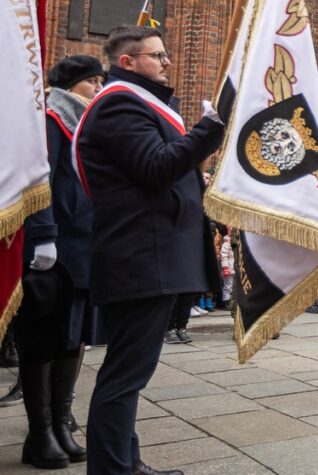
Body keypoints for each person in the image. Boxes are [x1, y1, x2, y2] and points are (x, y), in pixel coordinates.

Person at [75, 25, 224, 475]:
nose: (166, 62)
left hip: (148, 256)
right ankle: (113, 469)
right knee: (125, 375)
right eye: (157, 55)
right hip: (142, 258)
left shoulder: (137, 104)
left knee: (129, 373)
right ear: (128, 62)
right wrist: (209, 130)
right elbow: (156, 167)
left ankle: (126, 462)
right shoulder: (120, 104)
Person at [17, 55, 103, 469]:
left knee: (74, 337)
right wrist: (44, 234)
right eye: (92, 82)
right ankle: (40, 432)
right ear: (71, 85)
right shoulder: (52, 119)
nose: (98, 88)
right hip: (58, 247)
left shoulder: (86, 123)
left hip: (86, 246)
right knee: (44, 338)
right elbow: (40, 180)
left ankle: (61, 423)